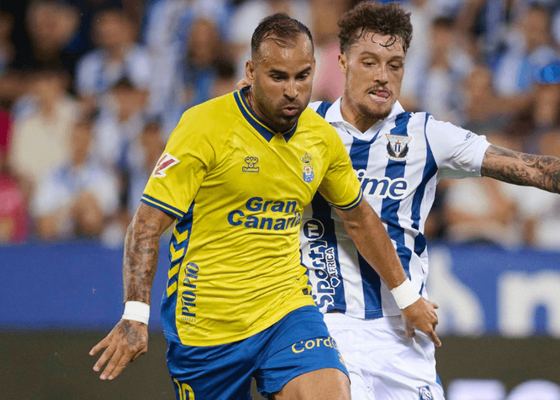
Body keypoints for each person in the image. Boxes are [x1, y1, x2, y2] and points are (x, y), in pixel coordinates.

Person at [89, 13, 439, 400]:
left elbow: (360, 218)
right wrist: (135, 314)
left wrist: (406, 297)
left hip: (286, 311)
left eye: (302, 76)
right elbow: (145, 225)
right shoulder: (203, 127)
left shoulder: (320, 138)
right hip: (206, 326)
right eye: (278, 77)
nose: (292, 91)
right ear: (251, 72)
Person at [297, 2, 560, 399]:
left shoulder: (427, 135)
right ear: (343, 62)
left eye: (395, 65)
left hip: (405, 332)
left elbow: (531, 168)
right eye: (369, 62)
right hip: (327, 326)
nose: (383, 76)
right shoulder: (304, 129)